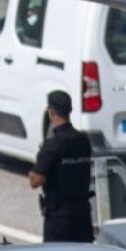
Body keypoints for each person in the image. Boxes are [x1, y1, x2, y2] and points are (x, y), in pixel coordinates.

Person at [28, 90, 94, 242]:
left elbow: (35, 180)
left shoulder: (53, 144)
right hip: (82, 214)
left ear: (51, 112)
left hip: (59, 217)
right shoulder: (83, 140)